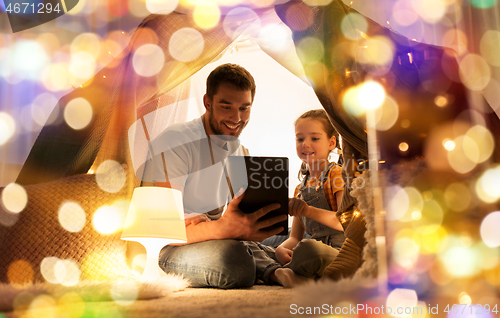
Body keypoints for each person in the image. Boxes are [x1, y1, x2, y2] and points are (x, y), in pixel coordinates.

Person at [141, 63, 286, 289]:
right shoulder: (176, 142)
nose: (236, 118)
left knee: (288, 240)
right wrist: (222, 229)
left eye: (244, 108)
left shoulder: (241, 151)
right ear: (208, 102)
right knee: (235, 261)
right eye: (226, 107)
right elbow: (162, 228)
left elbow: (235, 218)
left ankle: (271, 261)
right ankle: (271, 265)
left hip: (217, 237)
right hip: (171, 247)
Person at [248, 109, 346, 287]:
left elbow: (343, 222)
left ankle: (285, 271)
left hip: (337, 252)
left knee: (309, 249)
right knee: (248, 247)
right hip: (307, 251)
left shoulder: (336, 174)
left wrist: (307, 210)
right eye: (300, 139)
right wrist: (281, 249)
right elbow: (295, 238)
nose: (305, 144)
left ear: (331, 142)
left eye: (314, 138)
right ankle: (286, 271)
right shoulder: (300, 189)